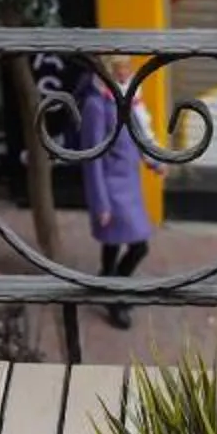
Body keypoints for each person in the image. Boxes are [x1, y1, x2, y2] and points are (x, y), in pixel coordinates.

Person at [78, 57, 152, 328]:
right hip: (111, 189)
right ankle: (114, 296)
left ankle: (110, 283)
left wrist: (154, 160)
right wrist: (101, 203)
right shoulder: (95, 105)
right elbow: (92, 158)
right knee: (138, 246)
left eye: (127, 68)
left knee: (113, 244)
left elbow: (138, 132)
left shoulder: (124, 98)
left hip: (129, 184)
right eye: (120, 69)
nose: (126, 74)